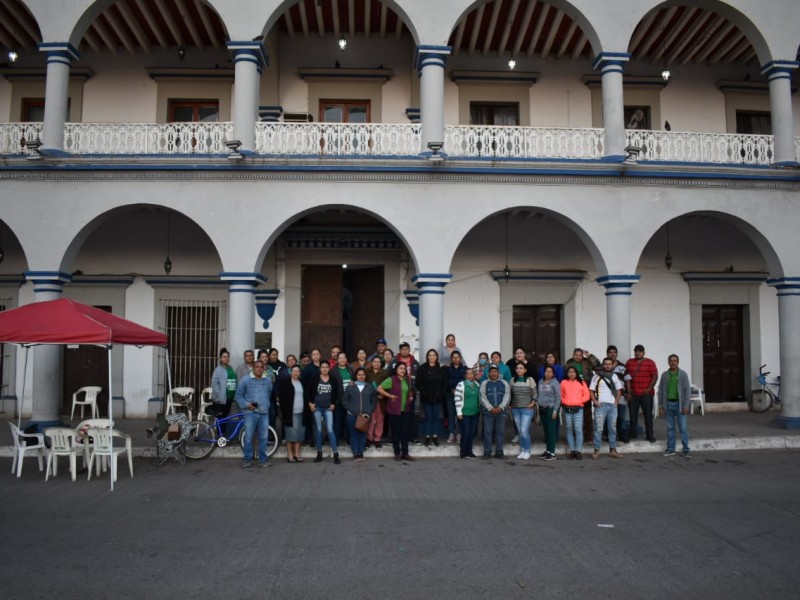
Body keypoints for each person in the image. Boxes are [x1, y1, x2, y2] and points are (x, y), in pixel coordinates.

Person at [234, 360, 273, 468]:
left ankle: (263, 460)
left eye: (261, 367)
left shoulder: (268, 380)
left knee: (264, 438)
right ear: (253, 368)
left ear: (264, 368)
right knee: (248, 437)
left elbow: (269, 393)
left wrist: (265, 404)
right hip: (250, 413)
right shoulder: (245, 380)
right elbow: (238, 396)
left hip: (264, 413)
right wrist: (246, 405)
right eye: (257, 367)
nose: (259, 369)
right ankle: (247, 460)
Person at [305, 361, 341, 464]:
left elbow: (336, 393)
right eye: (322, 367)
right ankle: (319, 453)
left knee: (330, 430)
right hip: (317, 407)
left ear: (329, 368)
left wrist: (334, 403)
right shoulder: (314, 379)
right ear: (320, 368)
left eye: (326, 367)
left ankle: (335, 454)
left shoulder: (333, 379)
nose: (324, 369)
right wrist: (310, 404)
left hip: (328, 408)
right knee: (319, 431)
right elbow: (307, 392)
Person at [378, 362, 415, 461]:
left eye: (404, 368)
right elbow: (379, 388)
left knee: (405, 432)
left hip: (405, 409)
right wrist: (389, 396)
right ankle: (397, 453)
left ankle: (405, 453)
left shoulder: (407, 379)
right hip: (394, 410)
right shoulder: (392, 379)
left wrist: (410, 396)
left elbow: (408, 391)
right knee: (396, 432)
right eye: (400, 368)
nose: (402, 370)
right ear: (396, 370)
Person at [590, 357, 625, 459]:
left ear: (612, 365)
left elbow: (619, 390)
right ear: (603, 365)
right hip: (601, 406)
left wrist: (616, 402)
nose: (607, 366)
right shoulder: (596, 376)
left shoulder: (614, 376)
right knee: (598, 429)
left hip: (612, 406)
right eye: (605, 364)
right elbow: (591, 390)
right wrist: (595, 402)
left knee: (612, 428)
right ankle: (596, 450)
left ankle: (612, 450)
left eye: (609, 364)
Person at [658, 354, 692, 458]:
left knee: (683, 428)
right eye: (671, 361)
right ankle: (671, 449)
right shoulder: (664, 375)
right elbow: (660, 391)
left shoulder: (683, 375)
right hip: (668, 404)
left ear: (678, 362)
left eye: (675, 360)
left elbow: (687, 391)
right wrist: (660, 406)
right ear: (668, 362)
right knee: (670, 428)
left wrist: (686, 405)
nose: (673, 362)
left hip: (680, 405)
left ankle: (686, 450)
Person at [625, 344, 659, 442]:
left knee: (648, 415)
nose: (638, 353)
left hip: (646, 394)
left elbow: (655, 376)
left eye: (640, 351)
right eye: (636, 351)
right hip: (633, 393)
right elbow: (626, 377)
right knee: (632, 414)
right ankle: (633, 433)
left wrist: (649, 388)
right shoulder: (629, 362)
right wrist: (629, 391)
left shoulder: (650, 362)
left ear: (644, 353)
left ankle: (649, 434)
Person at [342, 367, 378, 462]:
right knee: (354, 434)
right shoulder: (351, 386)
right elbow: (345, 400)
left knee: (362, 434)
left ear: (365, 376)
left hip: (365, 416)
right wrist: (351, 410)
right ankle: (355, 453)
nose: (361, 376)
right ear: (356, 376)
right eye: (359, 375)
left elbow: (374, 400)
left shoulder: (369, 387)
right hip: (352, 415)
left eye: (363, 375)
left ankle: (361, 452)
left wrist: (369, 410)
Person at [565, 347, 600, 440]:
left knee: (587, 414)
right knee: (574, 414)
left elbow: (598, 365)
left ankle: (588, 435)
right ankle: (575, 435)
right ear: (573, 355)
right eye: (576, 355)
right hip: (573, 391)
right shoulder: (569, 363)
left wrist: (589, 356)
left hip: (586, 390)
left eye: (580, 355)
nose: (577, 357)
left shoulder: (587, 362)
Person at [416, 348, 448, 447]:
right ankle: (427, 437)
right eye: (430, 355)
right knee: (428, 417)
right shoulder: (422, 368)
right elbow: (418, 383)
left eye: (434, 355)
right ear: (427, 357)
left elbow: (444, 384)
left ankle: (435, 437)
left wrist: (439, 395)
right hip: (426, 398)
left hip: (438, 398)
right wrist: (426, 394)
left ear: (437, 357)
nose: (432, 357)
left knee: (436, 418)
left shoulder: (441, 369)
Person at [276, 364, 308, 463]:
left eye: (298, 371)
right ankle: (290, 454)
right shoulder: (286, 383)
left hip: (301, 412)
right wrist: (285, 410)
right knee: (290, 435)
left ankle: (297, 454)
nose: (296, 373)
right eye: (294, 371)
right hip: (290, 413)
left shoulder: (302, 382)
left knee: (299, 434)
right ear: (290, 372)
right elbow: (281, 399)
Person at [479, 365, 510, 459]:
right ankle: (487, 452)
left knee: (500, 432)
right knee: (487, 432)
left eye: (495, 371)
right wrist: (490, 408)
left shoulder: (504, 383)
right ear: (488, 373)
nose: (493, 373)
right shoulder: (484, 383)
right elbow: (482, 397)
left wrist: (500, 407)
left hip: (501, 412)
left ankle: (499, 452)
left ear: (498, 373)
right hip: (488, 413)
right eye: (491, 371)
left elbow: (507, 396)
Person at [561, 366, 590, 459]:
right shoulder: (563, 382)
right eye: (569, 372)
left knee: (578, 430)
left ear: (576, 373)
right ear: (567, 373)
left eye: (573, 372)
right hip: (567, 409)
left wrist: (579, 401)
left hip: (578, 409)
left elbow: (587, 395)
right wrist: (565, 401)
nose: (571, 373)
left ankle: (578, 451)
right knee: (569, 429)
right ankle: (572, 450)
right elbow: (560, 395)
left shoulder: (581, 382)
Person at [509, 362, 537, 460]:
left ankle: (527, 450)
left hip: (527, 409)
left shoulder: (530, 379)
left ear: (525, 370)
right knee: (520, 431)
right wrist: (510, 404)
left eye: (521, 368)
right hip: (515, 409)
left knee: (524, 430)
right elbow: (510, 394)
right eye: (517, 368)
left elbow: (535, 392)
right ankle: (522, 449)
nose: (519, 370)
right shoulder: (512, 380)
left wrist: (533, 402)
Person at [605, 345, 632, 443]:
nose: (612, 354)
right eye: (610, 352)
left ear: (617, 354)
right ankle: (609, 435)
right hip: (608, 397)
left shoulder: (622, 366)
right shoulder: (604, 366)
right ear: (607, 354)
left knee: (621, 417)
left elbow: (627, 380)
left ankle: (622, 435)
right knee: (609, 417)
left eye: (614, 352)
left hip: (621, 396)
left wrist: (629, 392)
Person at [454, 368, 480, 458]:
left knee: (472, 433)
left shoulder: (477, 384)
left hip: (475, 413)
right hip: (464, 413)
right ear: (465, 375)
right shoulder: (461, 384)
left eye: (471, 373)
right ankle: (463, 451)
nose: (470, 375)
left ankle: (469, 451)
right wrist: (459, 412)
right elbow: (457, 398)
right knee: (466, 432)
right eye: (468, 374)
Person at [537, 365, 562, 460]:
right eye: (546, 371)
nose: (548, 373)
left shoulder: (555, 383)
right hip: (542, 409)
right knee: (546, 431)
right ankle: (547, 450)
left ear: (553, 374)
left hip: (551, 409)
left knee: (551, 432)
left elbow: (558, 397)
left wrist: (555, 411)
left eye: (550, 372)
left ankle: (552, 453)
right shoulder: (540, 381)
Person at [365, 356, 389, 448]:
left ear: (381, 364)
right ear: (372, 363)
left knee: (379, 420)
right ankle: (369, 438)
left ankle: (377, 439)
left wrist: (383, 394)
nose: (376, 363)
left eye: (378, 362)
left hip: (380, 400)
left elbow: (389, 385)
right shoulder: (367, 372)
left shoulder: (384, 373)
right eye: (375, 361)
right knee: (371, 420)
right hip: (370, 400)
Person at [445, 350, 468, 443]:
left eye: (457, 357)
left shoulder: (464, 369)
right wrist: (451, 389)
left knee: (459, 414)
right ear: (451, 359)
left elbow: (465, 381)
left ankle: (459, 433)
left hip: (461, 395)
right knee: (451, 414)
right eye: (454, 357)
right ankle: (451, 433)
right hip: (449, 394)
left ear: (460, 358)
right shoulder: (447, 369)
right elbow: (445, 381)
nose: (455, 359)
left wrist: (458, 389)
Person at [331, 351, 353, 447]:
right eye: (340, 358)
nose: (342, 360)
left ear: (346, 359)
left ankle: (349, 440)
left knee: (348, 421)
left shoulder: (350, 369)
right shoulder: (333, 371)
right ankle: (335, 441)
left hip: (349, 401)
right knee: (338, 422)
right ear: (337, 360)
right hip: (338, 400)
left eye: (344, 358)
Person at [210, 348, 236, 421]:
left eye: (227, 357)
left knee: (226, 417)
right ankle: (220, 433)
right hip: (222, 398)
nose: (226, 358)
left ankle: (224, 432)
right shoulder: (218, 370)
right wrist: (219, 396)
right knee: (221, 418)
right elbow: (214, 383)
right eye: (224, 357)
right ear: (220, 358)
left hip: (230, 397)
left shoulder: (231, 368)